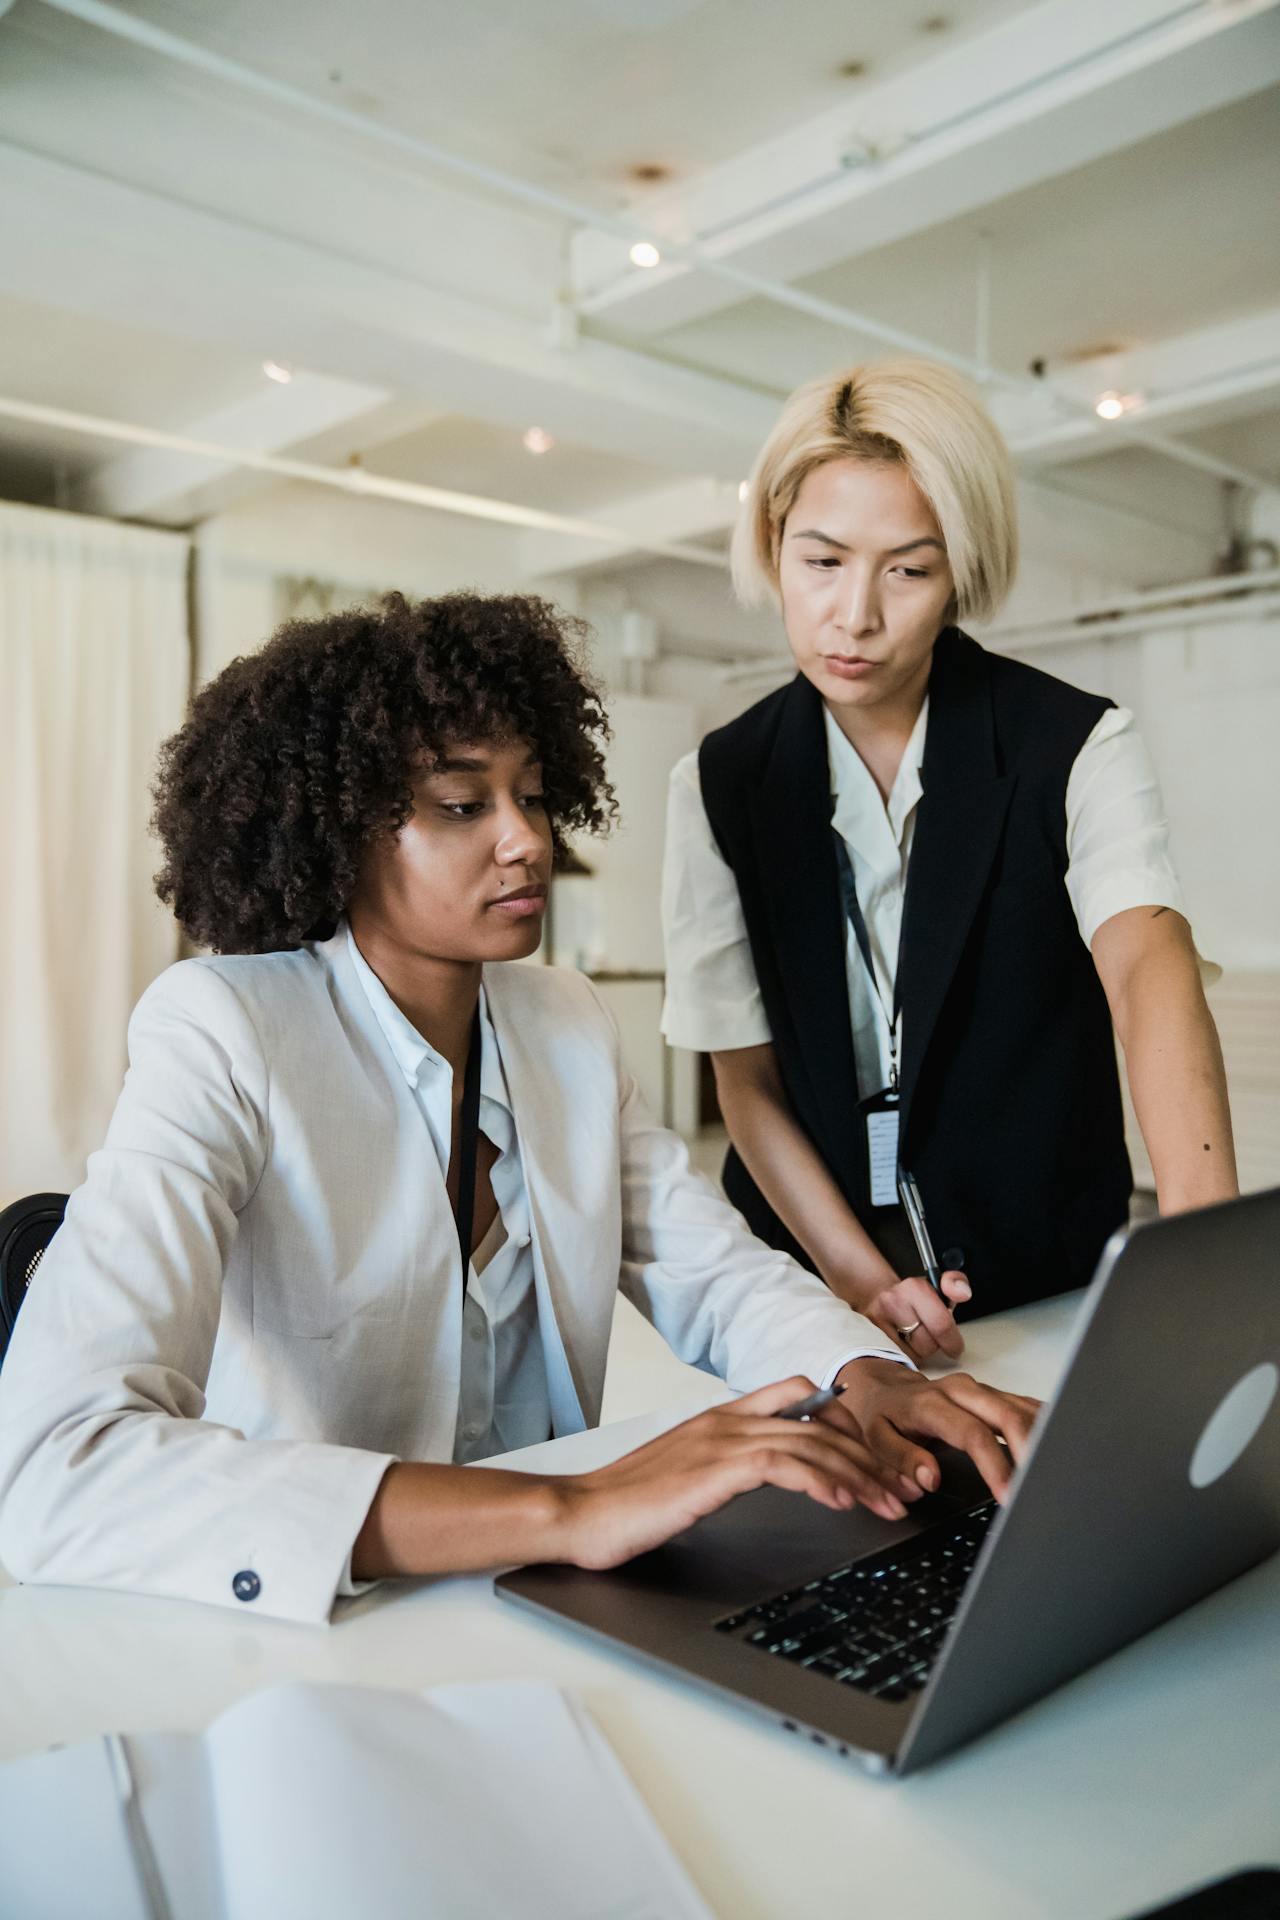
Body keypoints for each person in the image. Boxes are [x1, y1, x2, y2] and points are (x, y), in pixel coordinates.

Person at [0, 592, 1037, 1625]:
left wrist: (866, 1372)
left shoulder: (565, 1023)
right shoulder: (224, 1028)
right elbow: (56, 1468)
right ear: (336, 827)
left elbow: (709, 1269)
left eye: (534, 796)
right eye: (463, 805)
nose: (525, 841)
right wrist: (569, 1505)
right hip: (333, 1620)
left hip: (545, 1605)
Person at [662, 360, 1237, 1364]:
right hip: (810, 1289)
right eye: (821, 560)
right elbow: (744, 1082)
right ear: (771, 545)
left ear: (958, 572)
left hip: (1037, 1274)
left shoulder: (1072, 744)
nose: (854, 616)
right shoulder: (717, 783)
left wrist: (1207, 1276)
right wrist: (860, 1282)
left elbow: (1148, 971)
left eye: (906, 570)